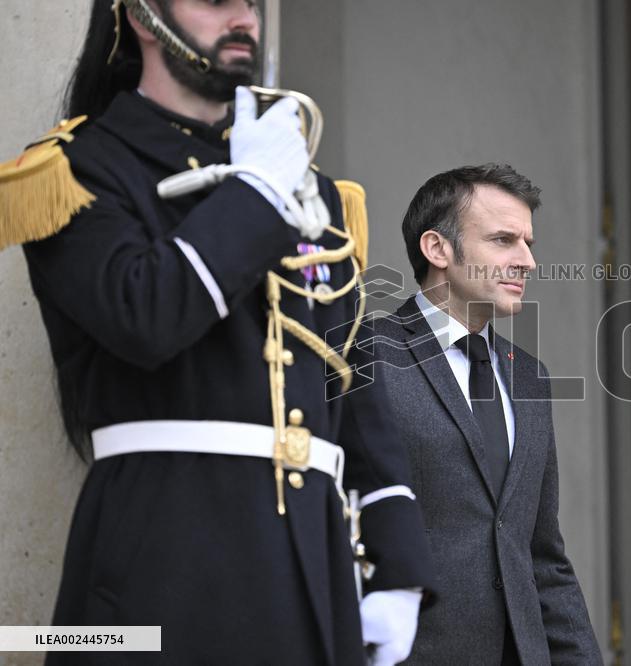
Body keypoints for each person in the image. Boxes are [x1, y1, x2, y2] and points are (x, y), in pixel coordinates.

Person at [1, 0, 433, 663]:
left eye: (253, 4)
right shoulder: (77, 170)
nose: (245, 16)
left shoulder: (313, 188)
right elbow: (145, 318)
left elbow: (351, 376)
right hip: (163, 563)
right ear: (144, 17)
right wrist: (256, 194)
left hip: (309, 567)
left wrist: (397, 557)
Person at [371, 164, 602, 664]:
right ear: (438, 249)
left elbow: (541, 553)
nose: (527, 261)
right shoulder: (366, 357)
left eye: (528, 242)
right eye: (503, 240)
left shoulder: (529, 377)